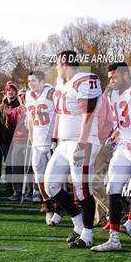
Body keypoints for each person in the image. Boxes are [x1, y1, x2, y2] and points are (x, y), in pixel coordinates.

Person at [91, 62, 131, 252]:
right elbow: (122, 122)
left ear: (126, 75)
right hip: (123, 147)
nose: (112, 81)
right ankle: (115, 238)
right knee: (113, 187)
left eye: (115, 77)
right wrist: (115, 135)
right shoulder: (113, 94)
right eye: (110, 77)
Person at [44, 50, 102, 249]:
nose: (56, 68)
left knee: (81, 188)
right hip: (64, 142)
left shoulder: (85, 80)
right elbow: (60, 115)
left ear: (64, 63)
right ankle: (78, 222)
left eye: (57, 64)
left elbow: (88, 115)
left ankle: (88, 235)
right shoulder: (61, 84)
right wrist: (54, 139)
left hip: (83, 141)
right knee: (50, 184)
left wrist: (81, 143)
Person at [25, 71, 60, 225]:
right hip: (37, 143)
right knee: (39, 177)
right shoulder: (28, 96)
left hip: (53, 141)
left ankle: (60, 208)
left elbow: (60, 115)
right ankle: (48, 204)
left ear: (42, 81)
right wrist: (32, 138)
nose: (31, 84)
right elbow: (31, 120)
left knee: (56, 177)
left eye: (33, 81)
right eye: (29, 81)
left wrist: (56, 138)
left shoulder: (52, 92)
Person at [0, 81, 21, 199]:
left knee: (16, 165)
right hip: (4, 139)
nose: (10, 92)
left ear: (16, 93)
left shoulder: (19, 105)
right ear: (5, 92)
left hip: (17, 139)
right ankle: (9, 189)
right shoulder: (2, 106)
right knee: (7, 164)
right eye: (8, 90)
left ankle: (18, 191)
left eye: (13, 90)